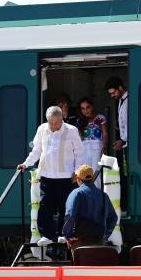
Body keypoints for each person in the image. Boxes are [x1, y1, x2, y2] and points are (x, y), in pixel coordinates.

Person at [18, 106, 85, 245]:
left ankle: (63, 234)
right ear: (47, 120)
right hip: (47, 175)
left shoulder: (72, 131)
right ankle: (47, 235)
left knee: (65, 207)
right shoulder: (42, 129)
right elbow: (36, 150)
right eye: (51, 123)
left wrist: (77, 171)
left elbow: (79, 153)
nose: (54, 126)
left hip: (67, 176)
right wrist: (26, 164)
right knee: (45, 206)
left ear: (62, 119)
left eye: (57, 122)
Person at [62, 164, 118, 250]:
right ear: (92, 179)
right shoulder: (103, 195)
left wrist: (68, 235)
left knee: (82, 262)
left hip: (79, 240)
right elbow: (113, 217)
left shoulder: (76, 193)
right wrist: (105, 235)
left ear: (78, 179)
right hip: (99, 239)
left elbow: (70, 215)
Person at [105, 76, 128, 209]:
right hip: (123, 143)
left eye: (114, 92)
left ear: (120, 87)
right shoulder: (120, 101)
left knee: (125, 173)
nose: (113, 95)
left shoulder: (129, 100)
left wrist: (123, 140)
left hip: (127, 144)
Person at [77, 97, 108, 187]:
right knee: (84, 173)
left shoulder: (100, 118)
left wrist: (104, 147)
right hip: (84, 150)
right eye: (82, 109)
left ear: (92, 107)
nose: (85, 111)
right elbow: (78, 138)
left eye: (88, 107)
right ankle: (85, 196)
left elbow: (105, 134)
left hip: (97, 149)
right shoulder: (80, 121)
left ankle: (96, 197)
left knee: (96, 174)